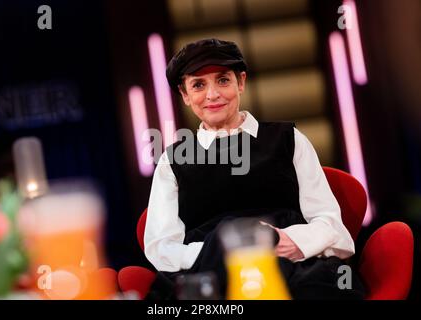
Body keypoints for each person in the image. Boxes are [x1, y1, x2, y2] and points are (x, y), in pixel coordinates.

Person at [143, 38, 365, 300]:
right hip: (211, 271)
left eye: (223, 80)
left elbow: (331, 226)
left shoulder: (289, 140)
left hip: (295, 265)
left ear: (241, 82)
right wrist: (230, 250)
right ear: (185, 95)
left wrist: (283, 242)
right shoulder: (173, 161)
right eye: (198, 85)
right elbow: (162, 247)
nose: (212, 95)